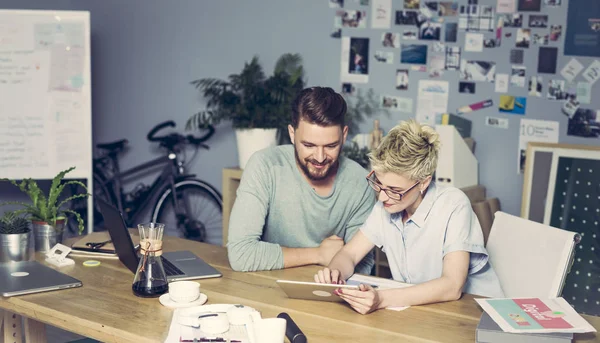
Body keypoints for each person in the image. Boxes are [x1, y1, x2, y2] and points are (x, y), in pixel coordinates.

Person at [314, 120, 504, 314]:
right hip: (427, 311)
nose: (382, 197)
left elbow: (452, 286)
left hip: (477, 312)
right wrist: (335, 273)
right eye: (379, 184)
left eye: (395, 190)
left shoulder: (454, 205)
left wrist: (381, 298)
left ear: (423, 182)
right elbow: (349, 254)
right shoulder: (385, 206)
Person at [227, 87, 377, 274]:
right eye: (309, 145)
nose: (320, 158)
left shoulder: (360, 183)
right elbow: (241, 254)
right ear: (292, 134)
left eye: (331, 146)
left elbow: (362, 265)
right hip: (265, 286)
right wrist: (318, 255)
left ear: (344, 135)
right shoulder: (265, 166)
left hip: (328, 294)